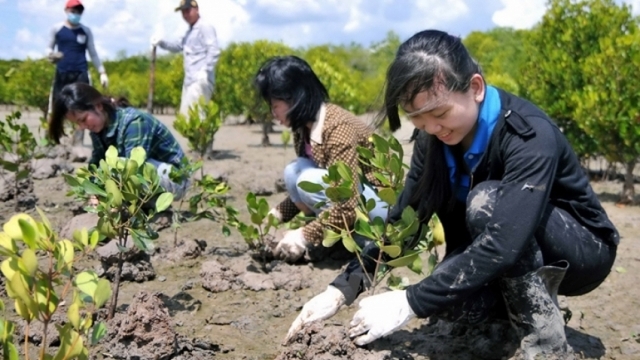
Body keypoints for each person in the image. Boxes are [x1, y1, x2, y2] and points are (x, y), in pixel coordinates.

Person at [284, 30, 619, 359]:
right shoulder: (432, 142)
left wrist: (408, 301)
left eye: (440, 113)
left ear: (475, 88)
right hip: (502, 247)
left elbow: (505, 242)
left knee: (485, 202)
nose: (432, 128)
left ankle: (547, 347)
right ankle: (507, 320)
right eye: (418, 119)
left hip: (582, 251)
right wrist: (342, 288)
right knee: (445, 297)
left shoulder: (528, 136)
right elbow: (405, 221)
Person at [254, 55, 389, 262]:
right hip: (353, 199)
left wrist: (302, 236)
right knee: (294, 171)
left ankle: (363, 238)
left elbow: (347, 203)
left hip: (378, 208)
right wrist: (274, 217)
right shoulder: (302, 128)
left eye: (274, 106)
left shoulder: (337, 129)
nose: (273, 113)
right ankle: (332, 230)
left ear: (294, 98)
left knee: (306, 179)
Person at [48, 83, 189, 201]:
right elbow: (96, 164)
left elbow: (133, 168)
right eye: (77, 123)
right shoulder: (98, 130)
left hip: (176, 180)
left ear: (98, 106)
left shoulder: (134, 122)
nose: (83, 127)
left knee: (121, 169)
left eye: (83, 119)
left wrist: (106, 196)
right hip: (149, 180)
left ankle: (138, 209)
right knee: (106, 170)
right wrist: (92, 191)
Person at [47, 0, 108, 146]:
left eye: (79, 11)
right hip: (62, 73)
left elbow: (93, 53)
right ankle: (52, 141)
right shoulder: (57, 29)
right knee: (56, 107)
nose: (76, 14)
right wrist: (52, 55)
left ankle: (78, 143)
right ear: (66, 10)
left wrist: (102, 72)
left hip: (81, 73)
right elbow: (48, 48)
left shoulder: (85, 31)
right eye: (73, 11)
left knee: (84, 108)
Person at [150, 0, 220, 117]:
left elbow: (214, 50)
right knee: (186, 118)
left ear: (196, 9)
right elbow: (177, 46)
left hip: (200, 79)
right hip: (189, 81)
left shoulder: (205, 27)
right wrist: (161, 43)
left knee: (197, 117)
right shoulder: (189, 32)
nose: (185, 15)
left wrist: (205, 70)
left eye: (188, 11)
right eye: (183, 12)